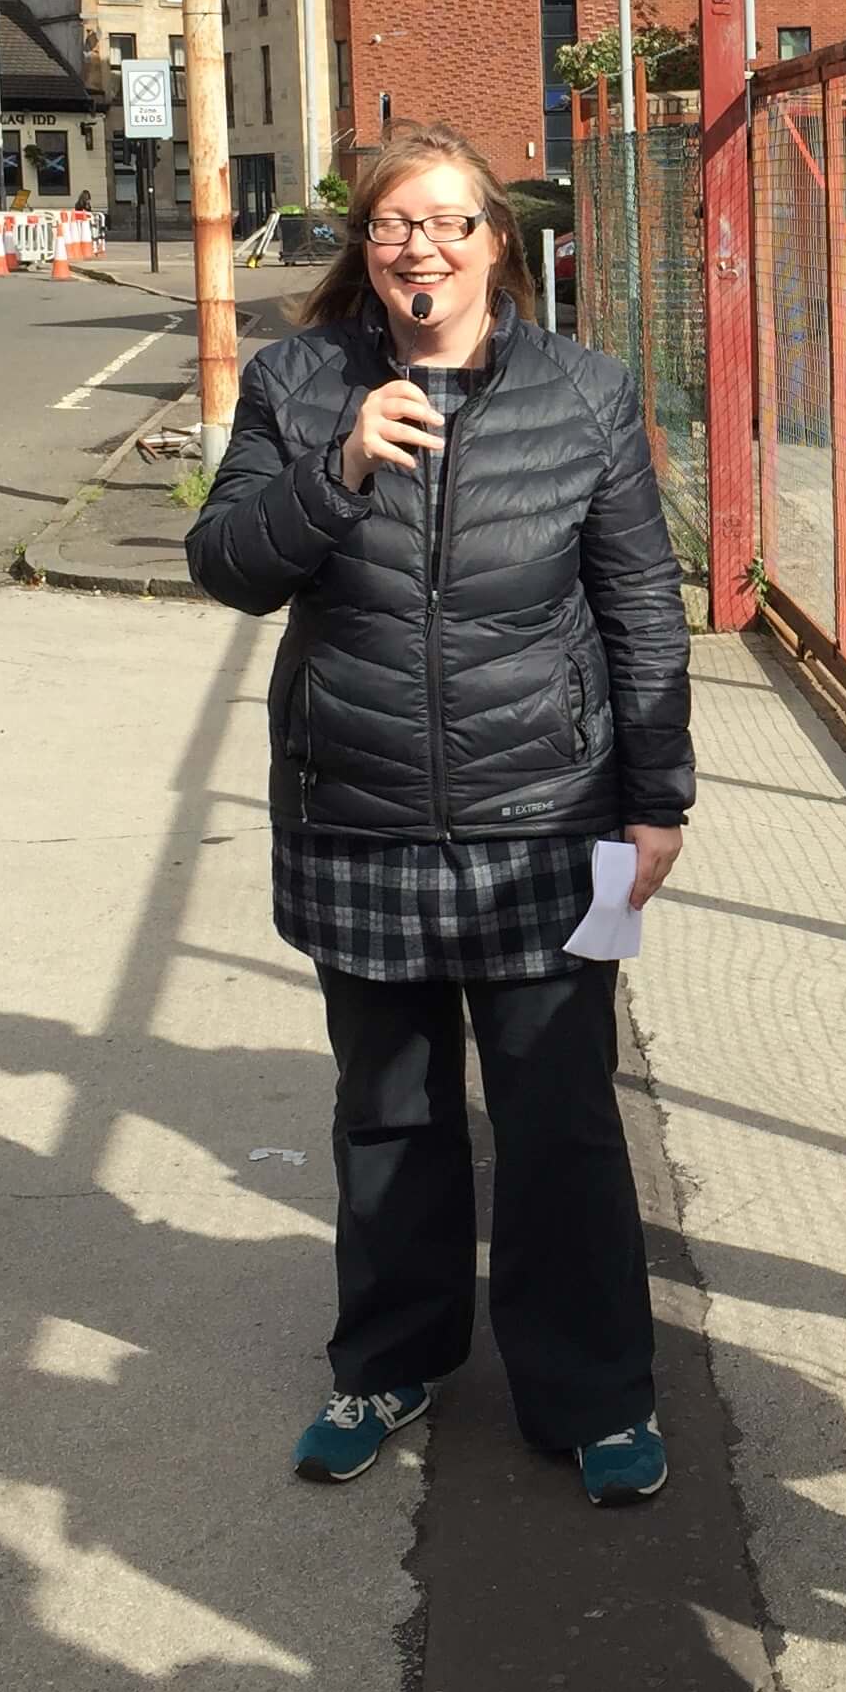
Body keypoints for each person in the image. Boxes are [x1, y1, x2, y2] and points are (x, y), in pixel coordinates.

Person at [184, 122, 694, 1508]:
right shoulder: (300, 383)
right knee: (390, 1114)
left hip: (549, 817)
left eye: (449, 223)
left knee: (562, 1122)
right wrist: (335, 472)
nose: (422, 248)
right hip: (359, 811)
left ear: (496, 246)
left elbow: (641, 605)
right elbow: (226, 565)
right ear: (368, 247)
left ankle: (593, 1394)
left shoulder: (583, 393)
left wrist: (657, 798)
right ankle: (391, 1361)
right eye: (396, 225)